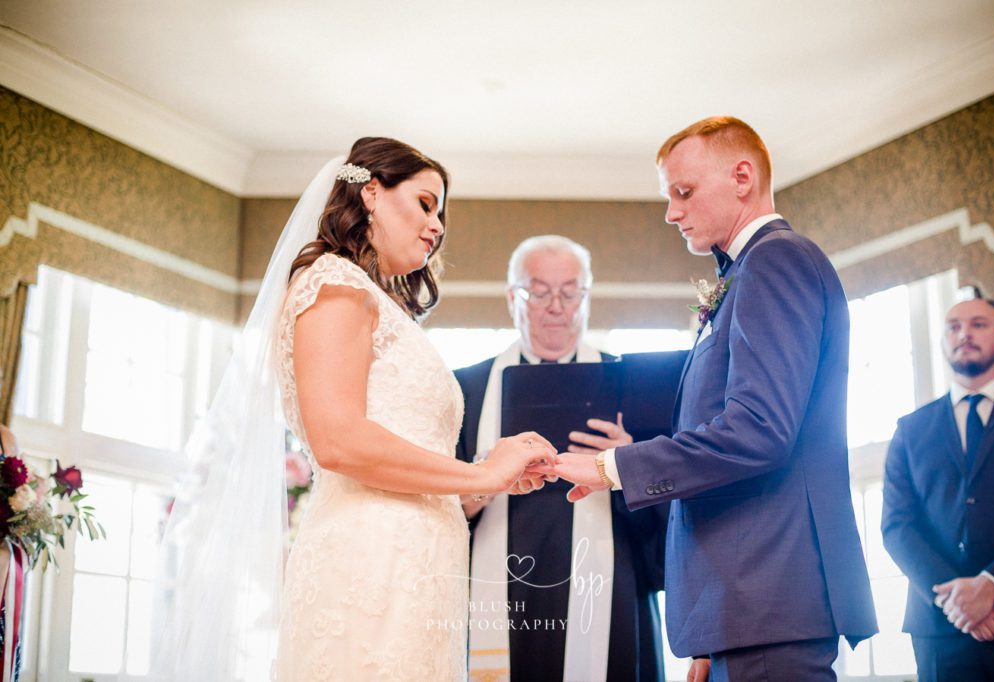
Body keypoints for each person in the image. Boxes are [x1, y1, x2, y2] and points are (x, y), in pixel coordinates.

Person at [146, 138, 554, 682]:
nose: (437, 226)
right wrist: (481, 472)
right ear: (372, 193)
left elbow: (407, 466)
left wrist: (488, 482)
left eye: (441, 214)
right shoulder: (334, 286)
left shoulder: (380, 304)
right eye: (425, 204)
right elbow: (338, 442)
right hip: (370, 564)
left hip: (421, 573)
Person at [553, 116, 878, 679]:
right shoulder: (745, 273)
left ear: (742, 178)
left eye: (683, 192)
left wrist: (613, 467)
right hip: (744, 612)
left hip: (769, 601)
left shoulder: (776, 260)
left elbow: (758, 431)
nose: (670, 212)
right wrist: (712, 634)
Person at [454, 235, 671, 682]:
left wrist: (630, 461)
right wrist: (484, 477)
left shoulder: (634, 385)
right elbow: (442, 510)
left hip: (614, 592)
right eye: (539, 292)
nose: (557, 307)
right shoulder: (466, 390)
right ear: (511, 297)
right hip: (500, 592)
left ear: (586, 298)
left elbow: (672, 506)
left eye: (570, 292)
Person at [882, 297, 994, 680]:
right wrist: (957, 602)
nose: (965, 334)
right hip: (938, 628)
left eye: (978, 324)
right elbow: (897, 527)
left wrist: (992, 585)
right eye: (954, 327)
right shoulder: (910, 429)